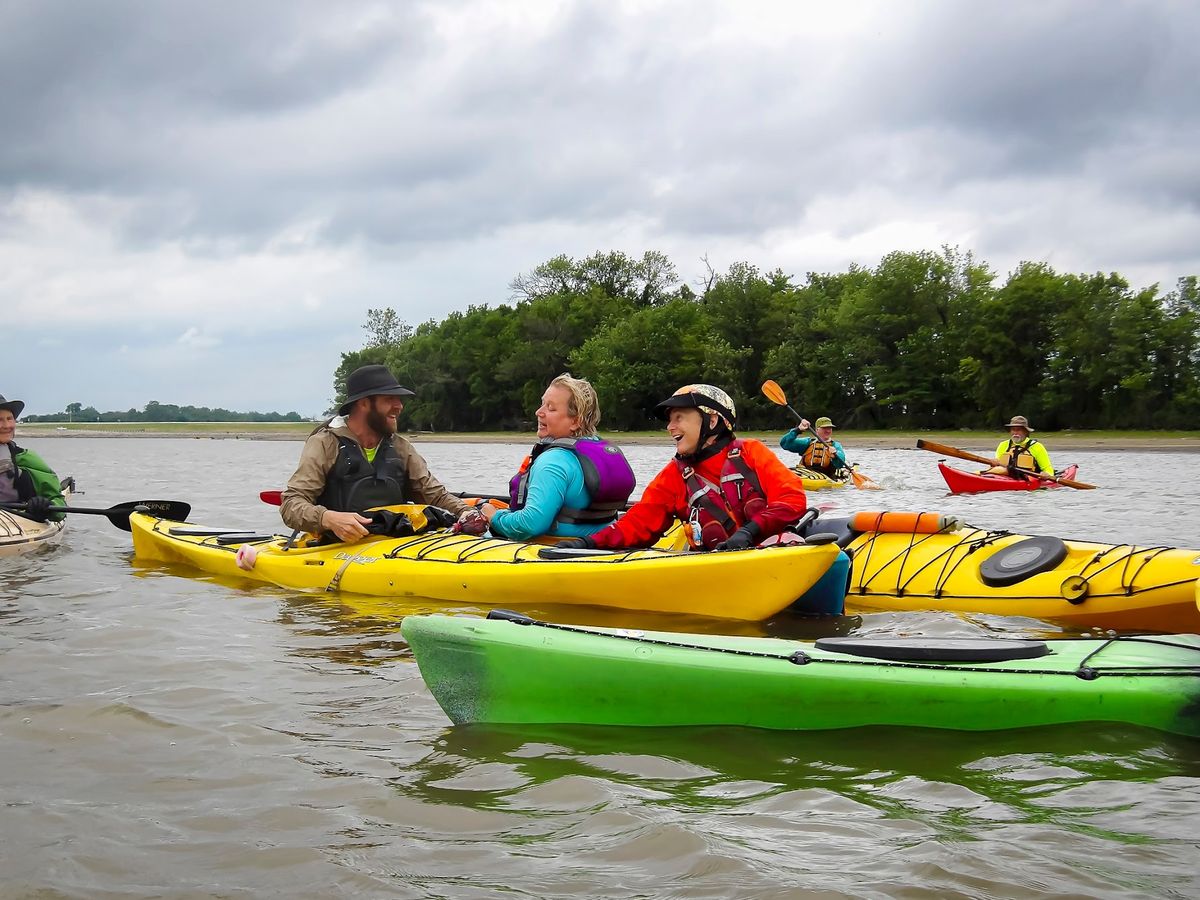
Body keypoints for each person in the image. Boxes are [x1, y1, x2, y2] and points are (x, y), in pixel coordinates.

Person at [556, 384, 807, 552]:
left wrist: (749, 532)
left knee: (837, 562)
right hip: (720, 567)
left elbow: (791, 500)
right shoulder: (675, 475)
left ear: (712, 420)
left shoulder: (750, 452)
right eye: (670, 420)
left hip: (774, 552)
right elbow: (638, 524)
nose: (670, 427)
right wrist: (587, 543)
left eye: (679, 418)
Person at [281, 365, 475, 542]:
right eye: (389, 399)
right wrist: (328, 519)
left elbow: (435, 495)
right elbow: (291, 504)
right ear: (364, 403)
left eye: (399, 399)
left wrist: (467, 512)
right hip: (337, 547)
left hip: (393, 546)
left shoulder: (401, 447)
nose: (399, 406)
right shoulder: (325, 444)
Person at [482, 373, 635, 542]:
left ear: (575, 421)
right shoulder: (603, 449)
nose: (539, 412)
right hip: (602, 541)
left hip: (561, 548)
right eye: (542, 405)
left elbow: (531, 524)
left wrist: (494, 517)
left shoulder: (552, 462)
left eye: (551, 408)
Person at [0, 394, 66, 522]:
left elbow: (59, 506)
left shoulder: (26, 458)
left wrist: (46, 506)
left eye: (9, 418)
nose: (6, 425)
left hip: (17, 519)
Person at [780, 416, 849, 478]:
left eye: (829, 428)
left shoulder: (835, 445)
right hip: (806, 473)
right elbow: (785, 443)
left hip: (826, 476)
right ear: (817, 430)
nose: (828, 430)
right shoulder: (807, 443)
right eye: (824, 428)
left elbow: (840, 463)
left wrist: (835, 455)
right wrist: (797, 430)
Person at [984, 415, 1053, 478]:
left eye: (1019, 430)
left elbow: (1048, 470)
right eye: (1013, 429)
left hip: (1029, 479)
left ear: (1026, 432)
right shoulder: (1003, 445)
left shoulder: (1037, 447)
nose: (1015, 433)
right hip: (1005, 476)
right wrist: (994, 463)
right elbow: (998, 465)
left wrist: (1046, 474)